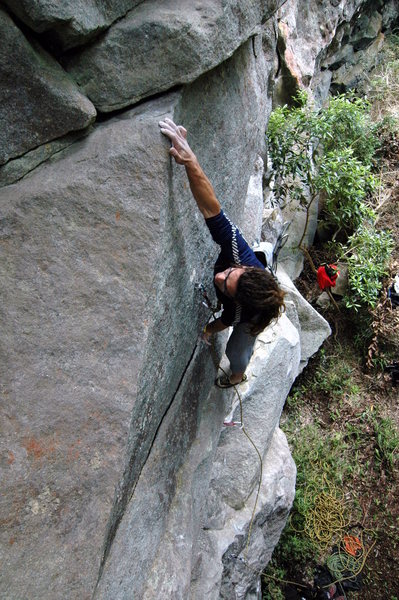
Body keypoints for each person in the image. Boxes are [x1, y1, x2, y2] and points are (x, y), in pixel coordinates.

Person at [159, 118, 285, 388]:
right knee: (260, 252)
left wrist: (206, 331)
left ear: (235, 298)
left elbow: (224, 321)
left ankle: (239, 374)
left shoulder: (240, 310)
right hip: (257, 275)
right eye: (228, 274)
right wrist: (190, 160)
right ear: (243, 268)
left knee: (238, 348)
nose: (219, 278)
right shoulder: (239, 252)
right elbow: (210, 208)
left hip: (251, 317)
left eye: (226, 288)